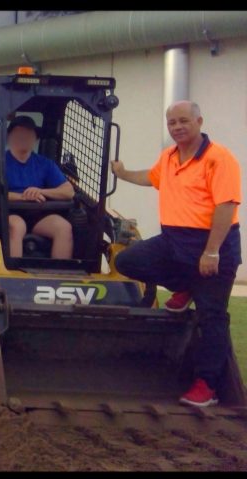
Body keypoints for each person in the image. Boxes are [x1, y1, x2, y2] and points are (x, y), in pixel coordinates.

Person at [111, 101, 242, 408]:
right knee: (128, 260)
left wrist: (211, 252)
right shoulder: (169, 157)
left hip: (212, 244)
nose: (178, 127)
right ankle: (185, 284)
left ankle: (206, 384)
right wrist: (124, 172)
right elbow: (153, 178)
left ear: (199, 121)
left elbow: (226, 206)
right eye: (172, 123)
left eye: (184, 121)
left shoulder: (218, 159)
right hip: (173, 240)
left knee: (212, 316)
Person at [0, 115, 75, 259]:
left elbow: (69, 192)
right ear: (9, 137)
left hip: (39, 216)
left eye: (28, 135)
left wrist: (41, 192)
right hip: (8, 214)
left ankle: (58, 274)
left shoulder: (45, 164)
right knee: (16, 226)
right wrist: (23, 197)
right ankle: (13, 275)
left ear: (35, 138)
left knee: (64, 227)